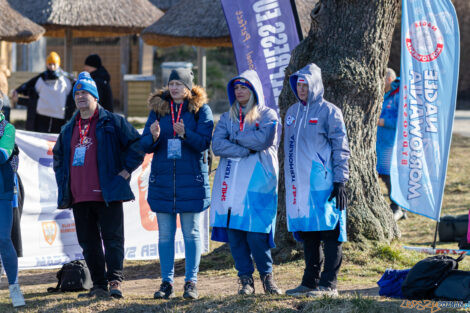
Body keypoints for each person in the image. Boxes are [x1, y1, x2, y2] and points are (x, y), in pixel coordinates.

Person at [53, 72, 144, 299]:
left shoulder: (112, 121)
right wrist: (65, 181)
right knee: (88, 243)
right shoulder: (68, 129)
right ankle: (99, 285)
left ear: (95, 97)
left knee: (113, 240)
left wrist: (125, 170)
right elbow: (58, 158)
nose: (81, 97)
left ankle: (115, 282)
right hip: (79, 196)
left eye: (85, 92)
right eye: (77, 93)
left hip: (107, 193)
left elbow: (137, 144)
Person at [140, 68, 213, 300]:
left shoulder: (201, 110)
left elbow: (204, 142)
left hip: (191, 180)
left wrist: (185, 134)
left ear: (188, 87)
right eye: (171, 84)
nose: (174, 88)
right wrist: (152, 136)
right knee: (165, 235)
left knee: (191, 233)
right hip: (163, 181)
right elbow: (144, 145)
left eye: (179, 84)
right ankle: (166, 283)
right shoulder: (158, 109)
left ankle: (191, 282)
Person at [210, 70, 282, 295]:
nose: (239, 92)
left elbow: (263, 140)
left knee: (256, 234)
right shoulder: (227, 117)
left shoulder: (268, 114)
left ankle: (267, 278)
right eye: (236, 88)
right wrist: (246, 147)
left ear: (254, 90)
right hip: (230, 184)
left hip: (258, 183)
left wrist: (235, 139)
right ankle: (245, 281)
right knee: (236, 235)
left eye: (244, 88)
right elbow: (218, 145)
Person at [284, 63, 350, 298]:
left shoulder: (329, 111)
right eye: (299, 85)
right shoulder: (292, 112)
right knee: (309, 234)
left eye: (306, 85)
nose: (302, 89)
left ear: (315, 86)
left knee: (330, 232)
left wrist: (340, 181)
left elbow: (341, 147)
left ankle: (329, 285)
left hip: (324, 183)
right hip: (298, 186)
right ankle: (309, 282)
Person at [0, 96, 25, 307]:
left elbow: (3, 153)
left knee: (3, 239)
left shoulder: (7, 129)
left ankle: (14, 287)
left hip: (3, 192)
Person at [11, 52, 74, 133]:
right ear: (46, 64)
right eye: (50, 64)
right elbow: (27, 85)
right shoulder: (40, 78)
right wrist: (17, 91)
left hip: (60, 117)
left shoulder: (67, 80)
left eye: (54, 64)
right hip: (41, 116)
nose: (52, 67)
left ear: (58, 64)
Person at [377, 68, 405, 221]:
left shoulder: (399, 95)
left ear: (388, 80)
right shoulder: (382, 93)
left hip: (391, 143)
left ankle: (397, 206)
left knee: (390, 176)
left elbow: (403, 120)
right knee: (380, 174)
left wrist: (383, 122)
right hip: (379, 142)